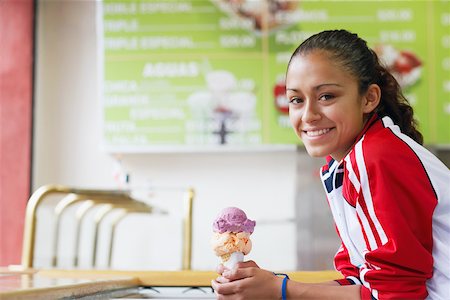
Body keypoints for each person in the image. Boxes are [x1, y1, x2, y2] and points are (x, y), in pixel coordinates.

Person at [211, 29, 450, 299]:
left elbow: (396, 294)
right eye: (296, 100)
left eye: (326, 96)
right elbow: (359, 281)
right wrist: (269, 285)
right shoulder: (341, 166)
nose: (309, 115)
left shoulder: (377, 156)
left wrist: (281, 291)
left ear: (369, 98)